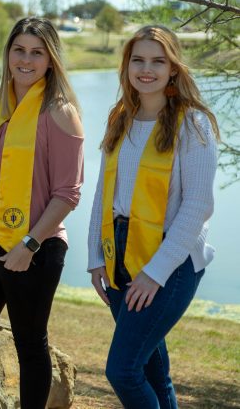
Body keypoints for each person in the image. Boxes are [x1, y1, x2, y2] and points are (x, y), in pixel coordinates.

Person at [0, 17, 84, 408]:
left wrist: (30, 243)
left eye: (36, 52)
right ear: (8, 53)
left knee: (29, 343)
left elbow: (68, 193)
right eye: (18, 50)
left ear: (50, 59)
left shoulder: (60, 112)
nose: (25, 60)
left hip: (34, 248)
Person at [87, 25, 219, 408]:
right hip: (120, 255)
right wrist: (98, 256)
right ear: (126, 66)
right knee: (152, 373)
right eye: (138, 60)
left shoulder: (193, 126)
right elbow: (102, 195)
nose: (147, 69)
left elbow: (197, 208)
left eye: (158, 61)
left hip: (170, 261)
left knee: (123, 370)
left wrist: (154, 272)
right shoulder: (120, 119)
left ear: (173, 68)